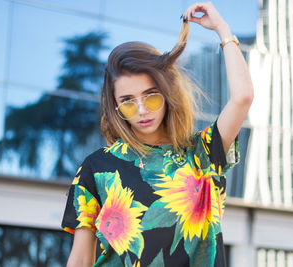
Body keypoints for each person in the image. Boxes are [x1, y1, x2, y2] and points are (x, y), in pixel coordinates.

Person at [61, 2, 253, 266]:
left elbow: (242, 97)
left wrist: (222, 30)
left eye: (150, 97)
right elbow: (81, 258)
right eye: (128, 101)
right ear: (116, 107)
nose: (141, 110)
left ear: (167, 94)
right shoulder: (97, 168)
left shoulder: (202, 154)